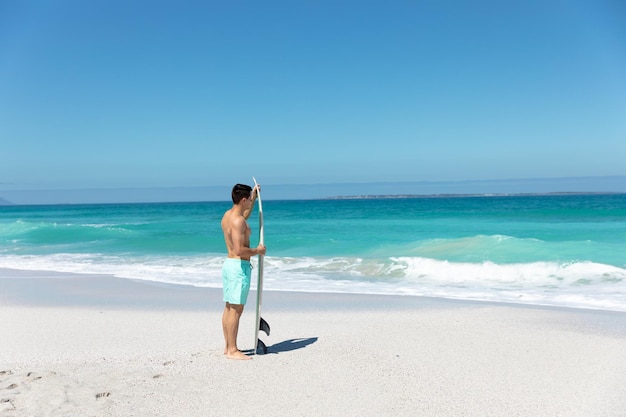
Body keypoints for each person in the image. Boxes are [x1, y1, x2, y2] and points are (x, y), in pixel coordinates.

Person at [220, 183, 266, 360]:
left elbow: (244, 215)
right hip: (238, 267)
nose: (250, 204)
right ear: (243, 199)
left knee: (229, 307)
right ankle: (232, 350)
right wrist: (257, 251)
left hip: (229, 265)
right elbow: (240, 250)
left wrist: (254, 197)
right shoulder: (238, 222)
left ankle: (228, 346)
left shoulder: (228, 216)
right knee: (236, 310)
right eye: (249, 200)